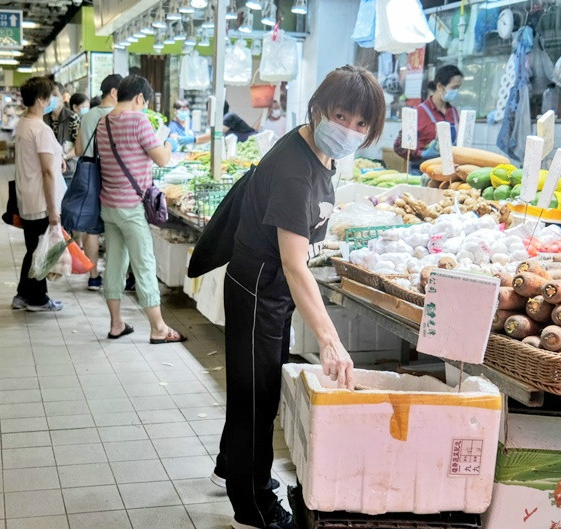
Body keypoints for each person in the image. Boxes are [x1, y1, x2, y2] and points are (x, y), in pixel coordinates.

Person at [212, 65, 385, 529]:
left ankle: (232, 465)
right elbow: (293, 263)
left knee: (255, 387)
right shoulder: (295, 168)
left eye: (361, 123)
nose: (349, 129)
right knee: (257, 398)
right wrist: (330, 340)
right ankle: (253, 507)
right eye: (341, 116)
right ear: (319, 108)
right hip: (259, 288)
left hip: (271, 289)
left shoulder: (317, 153)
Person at [95, 74, 185, 344]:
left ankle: (116, 324)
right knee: (144, 263)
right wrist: (170, 143)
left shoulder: (104, 122)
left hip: (109, 205)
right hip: (132, 207)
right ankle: (158, 328)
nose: (144, 107)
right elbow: (162, 159)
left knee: (114, 264)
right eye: (145, 102)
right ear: (139, 98)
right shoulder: (138, 120)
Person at [12, 76, 67, 312]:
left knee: (33, 248)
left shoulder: (24, 123)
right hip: (41, 200)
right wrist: (53, 209)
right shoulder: (41, 129)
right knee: (40, 251)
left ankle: (23, 295)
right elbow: (46, 171)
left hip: (27, 195)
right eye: (50, 96)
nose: (53, 100)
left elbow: (40, 161)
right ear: (41, 99)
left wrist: (58, 160)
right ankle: (37, 299)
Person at [75, 73, 123, 292]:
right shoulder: (117, 115)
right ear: (114, 92)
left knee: (92, 228)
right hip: (110, 173)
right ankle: (117, 276)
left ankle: (93, 276)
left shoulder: (87, 115)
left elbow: (78, 149)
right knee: (114, 227)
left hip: (88, 173)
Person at [393, 64, 464, 174]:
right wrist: (422, 154)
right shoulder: (419, 112)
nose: (456, 91)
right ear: (439, 86)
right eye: (454, 87)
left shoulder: (454, 113)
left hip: (446, 172)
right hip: (420, 172)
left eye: (458, 88)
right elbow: (398, 146)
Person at [44, 82, 80, 183]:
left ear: (63, 97)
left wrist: (62, 157)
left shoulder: (72, 117)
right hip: (47, 169)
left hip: (67, 171)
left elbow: (78, 147)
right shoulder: (43, 117)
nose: (51, 98)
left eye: (55, 95)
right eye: (48, 95)